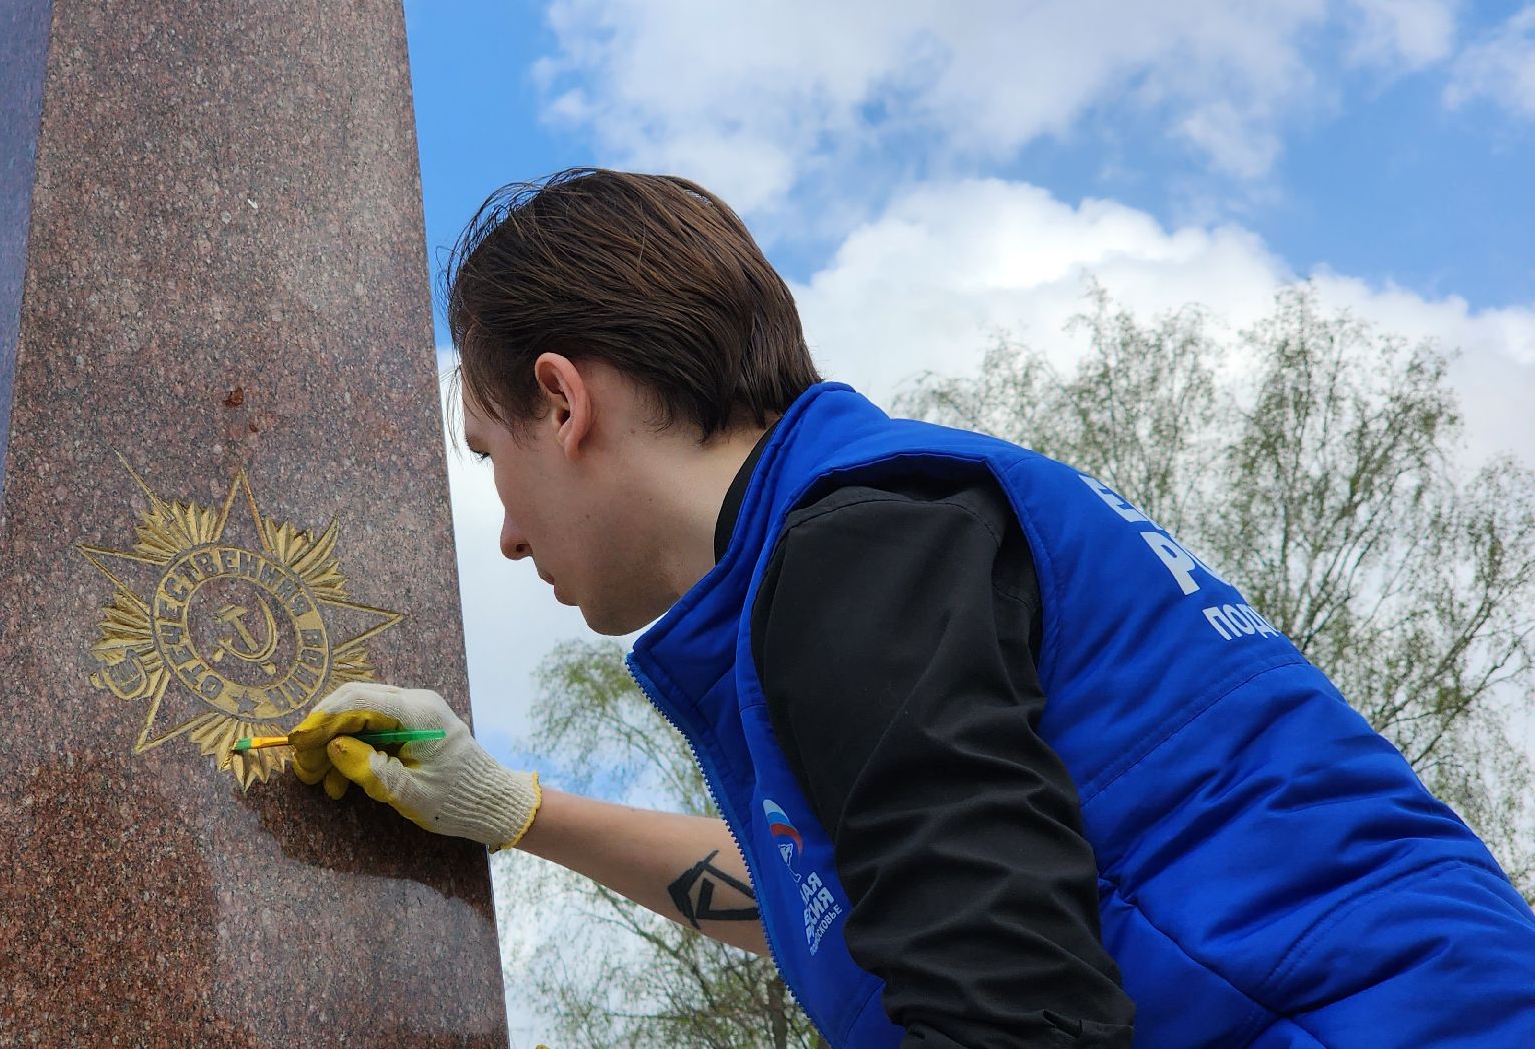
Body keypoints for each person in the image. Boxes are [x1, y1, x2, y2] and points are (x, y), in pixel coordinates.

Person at [286, 169, 1535, 1048]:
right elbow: (851, 898)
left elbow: (1012, 1014)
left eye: (487, 452)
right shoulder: (870, 529)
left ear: (562, 402)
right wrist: (514, 810)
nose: (503, 530)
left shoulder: (856, 556)